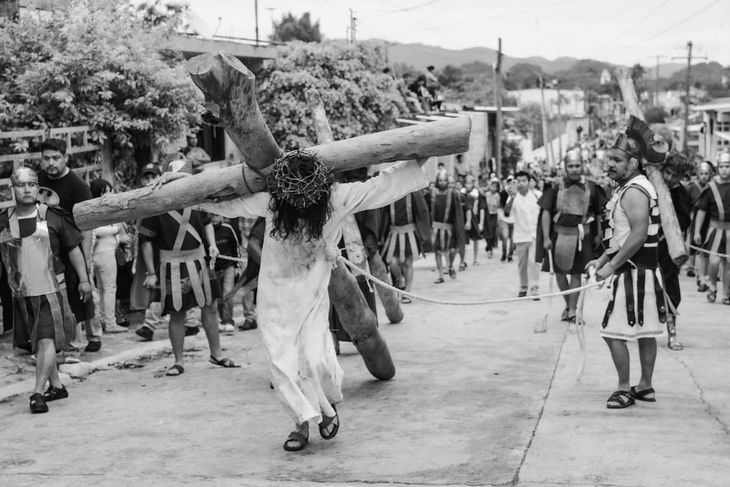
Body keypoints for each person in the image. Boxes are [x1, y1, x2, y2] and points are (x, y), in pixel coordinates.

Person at [182, 150, 429, 452]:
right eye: (293, 202)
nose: (300, 206)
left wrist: (424, 154)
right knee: (281, 364)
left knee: (315, 358)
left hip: (311, 293)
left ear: (320, 191)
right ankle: (300, 423)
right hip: (274, 297)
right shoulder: (273, 202)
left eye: (306, 201)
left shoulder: (336, 198)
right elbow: (230, 202)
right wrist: (183, 190)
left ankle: (325, 407)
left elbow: (382, 186)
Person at [587, 118, 666, 409]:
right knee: (645, 333)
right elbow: (622, 236)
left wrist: (611, 265)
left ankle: (624, 388)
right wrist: (602, 258)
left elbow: (638, 235)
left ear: (633, 163)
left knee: (612, 334)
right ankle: (645, 386)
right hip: (640, 271)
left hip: (635, 273)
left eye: (617, 159)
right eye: (610, 158)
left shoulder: (634, 190)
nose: (610, 164)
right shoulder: (630, 186)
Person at [0, 168, 91, 413]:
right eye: (21, 185)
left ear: (37, 187)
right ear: (13, 189)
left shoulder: (52, 216)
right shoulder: (3, 220)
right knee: (40, 342)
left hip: (51, 291)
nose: (27, 189)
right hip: (20, 294)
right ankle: (57, 386)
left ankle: (38, 393)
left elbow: (73, 249)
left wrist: (84, 280)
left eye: (32, 184)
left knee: (45, 340)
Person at [138, 160, 236, 375]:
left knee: (210, 307)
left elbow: (208, 222)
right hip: (172, 264)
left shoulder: (197, 197)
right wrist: (152, 273)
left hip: (200, 260)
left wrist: (211, 245)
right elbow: (145, 241)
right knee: (177, 312)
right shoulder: (156, 202)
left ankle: (216, 353)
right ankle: (179, 361)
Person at [37, 139, 100, 353]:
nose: (51, 163)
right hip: (51, 248)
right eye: (47, 158)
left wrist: (87, 255)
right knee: (66, 295)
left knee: (84, 288)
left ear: (66, 157)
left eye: (56, 158)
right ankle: (69, 337)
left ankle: (93, 334)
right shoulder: (40, 180)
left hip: (76, 245)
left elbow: (88, 225)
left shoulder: (78, 186)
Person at [538, 148, 605, 321]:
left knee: (577, 274)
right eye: (571, 166)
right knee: (560, 275)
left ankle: (573, 310)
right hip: (559, 236)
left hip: (583, 237)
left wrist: (599, 235)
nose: (574, 169)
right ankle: (569, 305)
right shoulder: (555, 185)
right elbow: (546, 212)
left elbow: (599, 213)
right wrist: (546, 238)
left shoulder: (592, 186)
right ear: (565, 167)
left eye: (577, 165)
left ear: (582, 166)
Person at [658, 150, 692, 350]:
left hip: (668, 246)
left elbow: (685, 220)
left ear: (682, 177)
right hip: (645, 243)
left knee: (670, 287)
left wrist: (669, 221)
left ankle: (672, 333)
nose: (670, 178)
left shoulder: (682, 194)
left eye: (675, 175)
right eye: (668, 172)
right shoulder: (651, 184)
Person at [89, 179, 129, 334]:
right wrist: (116, 229)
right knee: (109, 288)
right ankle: (110, 322)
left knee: (101, 288)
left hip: (100, 254)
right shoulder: (96, 210)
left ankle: (103, 321)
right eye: (106, 191)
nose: (110, 194)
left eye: (111, 190)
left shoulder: (100, 210)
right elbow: (95, 230)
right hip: (104, 254)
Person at [381, 189, 431, 302]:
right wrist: (382, 233)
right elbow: (384, 215)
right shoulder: (390, 193)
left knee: (408, 263)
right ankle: (399, 279)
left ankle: (407, 293)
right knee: (391, 261)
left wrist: (423, 233)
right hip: (393, 232)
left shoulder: (413, 193)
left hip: (410, 232)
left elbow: (422, 212)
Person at [694, 151, 730, 304]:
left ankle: (726, 294)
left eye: (727, 166)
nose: (724, 169)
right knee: (714, 262)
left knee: (729, 264)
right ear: (717, 168)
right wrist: (696, 231)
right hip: (715, 230)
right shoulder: (711, 187)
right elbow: (701, 210)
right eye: (721, 166)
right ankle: (712, 286)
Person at [504, 171, 540, 298]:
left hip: (535, 235)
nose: (521, 183)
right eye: (518, 181)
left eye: (524, 180)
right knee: (522, 264)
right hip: (520, 236)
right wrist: (512, 197)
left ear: (529, 182)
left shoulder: (537, 196)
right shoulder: (513, 197)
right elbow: (507, 212)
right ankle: (523, 286)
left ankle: (534, 288)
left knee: (534, 262)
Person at [426, 170, 465, 283]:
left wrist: (458, 227)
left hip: (449, 228)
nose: (442, 182)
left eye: (444, 180)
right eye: (440, 180)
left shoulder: (453, 194)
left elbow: (457, 212)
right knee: (438, 252)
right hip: (436, 228)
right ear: (437, 181)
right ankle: (440, 275)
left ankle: (450, 266)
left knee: (452, 250)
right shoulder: (431, 193)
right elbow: (426, 210)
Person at [211, 214, 241, 334]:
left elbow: (236, 247)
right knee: (217, 296)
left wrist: (237, 266)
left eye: (217, 216)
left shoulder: (227, 228)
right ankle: (221, 321)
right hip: (213, 268)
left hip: (228, 266)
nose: (214, 218)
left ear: (222, 217)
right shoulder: (207, 230)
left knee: (227, 293)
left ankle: (229, 321)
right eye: (212, 216)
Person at [687, 162, 714, 290]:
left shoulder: (712, 187)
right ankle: (699, 275)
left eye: (706, 174)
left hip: (711, 222)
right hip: (696, 221)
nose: (704, 176)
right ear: (698, 174)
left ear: (710, 174)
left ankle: (706, 275)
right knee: (697, 250)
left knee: (708, 251)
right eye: (702, 174)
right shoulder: (691, 187)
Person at [459, 174, 484, 268]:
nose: (468, 185)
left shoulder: (478, 194)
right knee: (464, 240)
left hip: (475, 218)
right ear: (464, 183)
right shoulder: (461, 194)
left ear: (473, 183)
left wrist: (481, 223)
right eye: (467, 183)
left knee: (476, 239)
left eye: (470, 183)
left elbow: (481, 208)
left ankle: (475, 259)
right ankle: (463, 260)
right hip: (464, 218)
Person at [483, 179, 500, 258]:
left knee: (492, 232)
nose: (494, 188)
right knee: (487, 232)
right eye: (492, 186)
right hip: (487, 214)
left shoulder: (497, 195)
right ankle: (488, 245)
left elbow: (498, 205)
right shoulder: (486, 194)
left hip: (494, 214)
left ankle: (490, 248)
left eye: (495, 187)